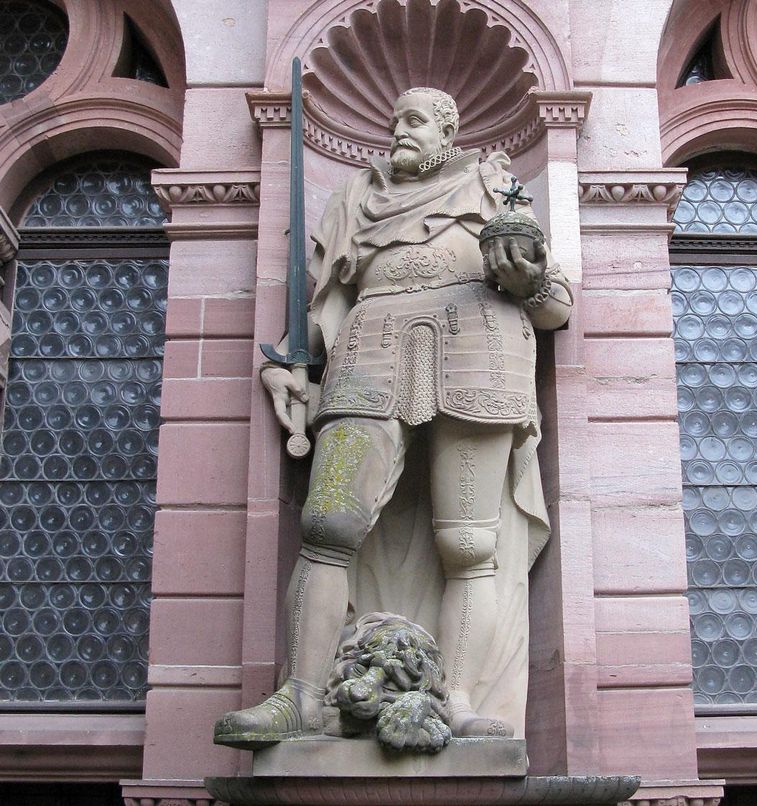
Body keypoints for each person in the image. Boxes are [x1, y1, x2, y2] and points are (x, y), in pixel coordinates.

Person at [214, 86, 572, 748]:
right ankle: (301, 695)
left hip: (478, 349)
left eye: (412, 120)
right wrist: (291, 363)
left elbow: (554, 305)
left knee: (469, 545)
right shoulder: (356, 196)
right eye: (392, 118)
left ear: (447, 128)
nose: (397, 129)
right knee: (326, 526)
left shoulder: (494, 182)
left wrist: (528, 281)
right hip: (368, 349)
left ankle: (458, 700)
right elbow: (325, 301)